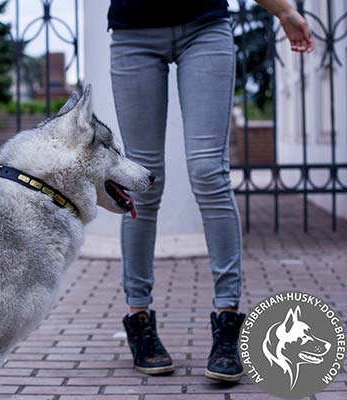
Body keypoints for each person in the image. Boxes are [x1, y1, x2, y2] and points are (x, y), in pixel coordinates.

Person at [109, 0, 314, 382]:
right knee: (143, 180)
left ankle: (227, 320)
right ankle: (139, 318)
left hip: (204, 26)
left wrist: (283, 10)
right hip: (132, 33)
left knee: (208, 172)